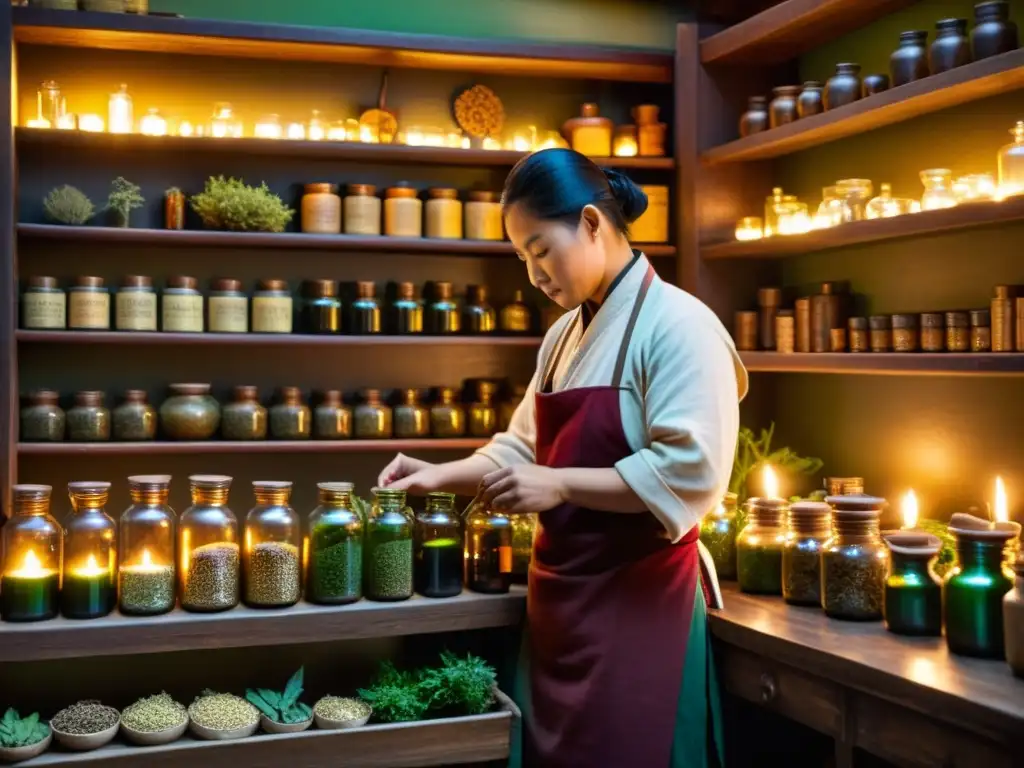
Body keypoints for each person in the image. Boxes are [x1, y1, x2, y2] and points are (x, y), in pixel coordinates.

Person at [378, 147, 748, 768]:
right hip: (559, 611)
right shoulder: (562, 335)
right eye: (522, 258)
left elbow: (691, 470)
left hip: (639, 610)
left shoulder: (681, 325)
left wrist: (561, 486)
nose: (533, 275)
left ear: (593, 224)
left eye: (541, 250)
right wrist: (438, 474)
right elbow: (523, 447)